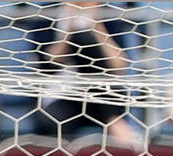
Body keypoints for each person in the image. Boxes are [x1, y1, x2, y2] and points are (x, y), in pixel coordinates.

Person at [42, 1, 136, 144]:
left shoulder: (110, 13)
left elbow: (119, 66)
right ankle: (113, 120)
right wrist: (71, 28)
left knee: (85, 37)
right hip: (64, 94)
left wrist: (96, 26)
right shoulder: (47, 12)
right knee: (81, 37)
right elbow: (49, 62)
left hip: (104, 94)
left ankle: (111, 117)